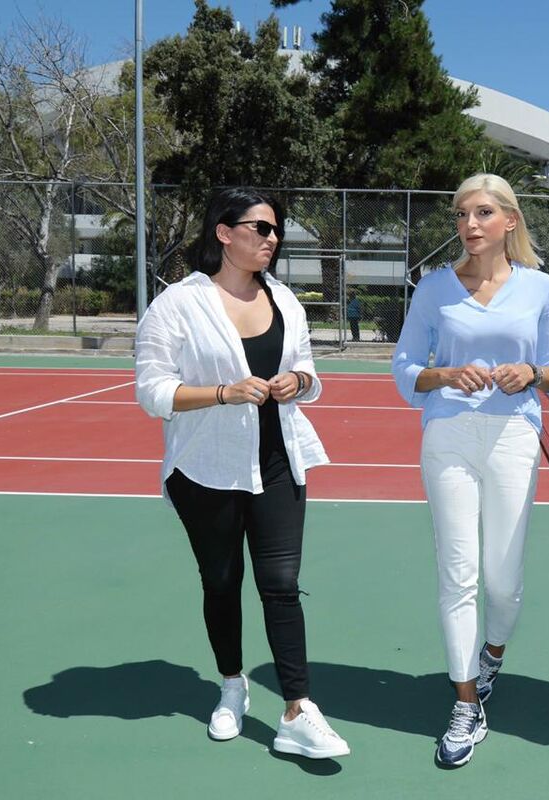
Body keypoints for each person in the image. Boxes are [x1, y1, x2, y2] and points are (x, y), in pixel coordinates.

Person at [135, 187, 349, 760]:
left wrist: (298, 382)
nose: (272, 238)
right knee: (221, 583)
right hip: (206, 469)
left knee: (280, 586)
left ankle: (298, 710)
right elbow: (152, 391)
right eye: (260, 227)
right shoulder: (178, 304)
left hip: (279, 462)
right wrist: (223, 393)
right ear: (224, 233)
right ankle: (232, 685)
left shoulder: (285, 299)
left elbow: (309, 372)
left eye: (276, 229)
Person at [391, 173, 549, 768]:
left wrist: (532, 373)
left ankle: (491, 653)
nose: (469, 224)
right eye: (462, 214)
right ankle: (465, 702)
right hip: (448, 434)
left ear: (509, 221)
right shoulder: (433, 289)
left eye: (483, 213)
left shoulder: (540, 287)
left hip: (514, 436)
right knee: (458, 573)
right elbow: (404, 367)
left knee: (502, 580)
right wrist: (445, 374)